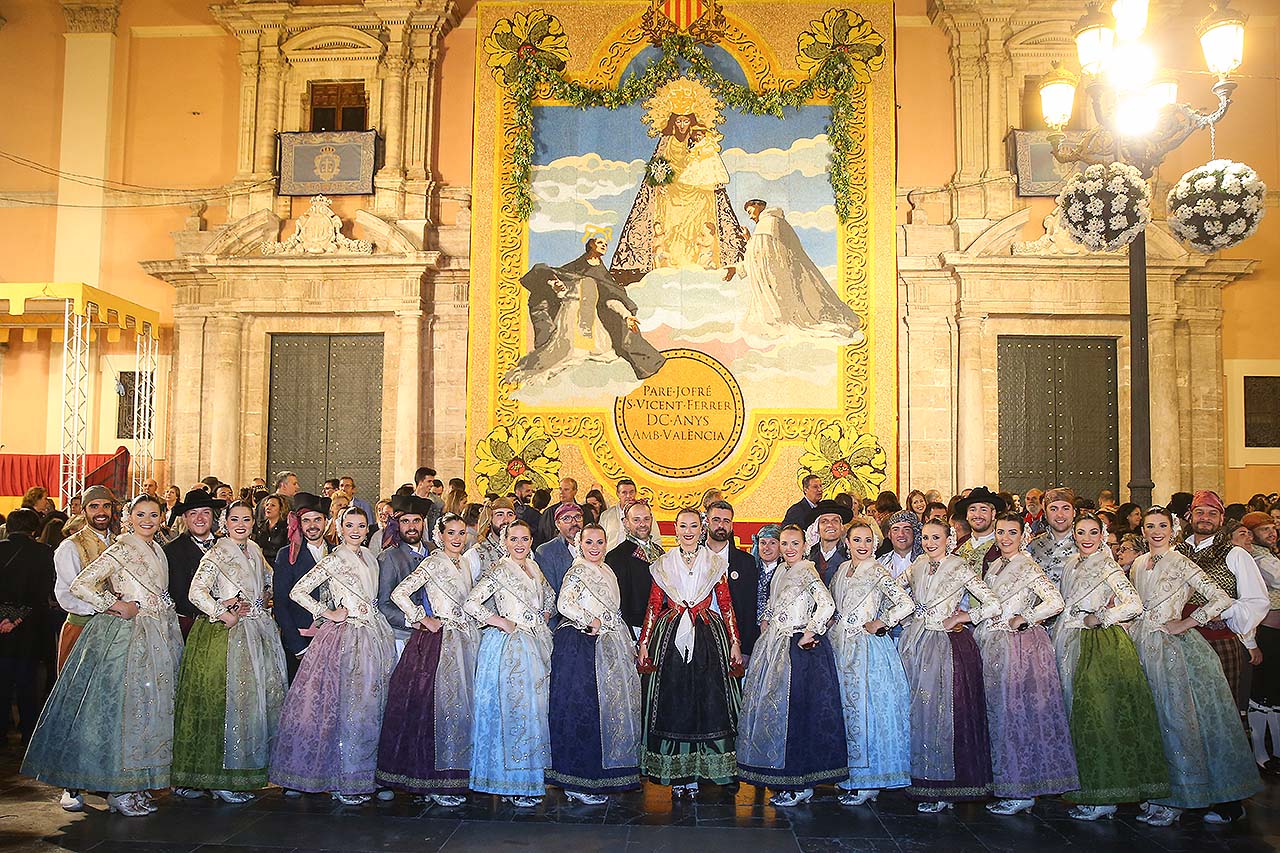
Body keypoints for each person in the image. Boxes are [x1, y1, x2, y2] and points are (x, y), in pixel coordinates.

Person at [22, 495, 182, 817]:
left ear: (162, 516)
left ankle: (136, 785)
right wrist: (114, 604)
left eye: (154, 514)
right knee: (125, 711)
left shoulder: (158, 550)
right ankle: (118, 789)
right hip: (127, 637)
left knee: (148, 710)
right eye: (140, 514)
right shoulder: (122, 547)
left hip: (158, 635)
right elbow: (81, 584)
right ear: (128, 517)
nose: (147, 520)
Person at [1126, 506, 1262, 826]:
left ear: (1173, 528)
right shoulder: (1137, 564)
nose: (1156, 531)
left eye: (1162, 525)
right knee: (1154, 720)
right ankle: (1159, 792)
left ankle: (1180, 798)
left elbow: (1219, 599)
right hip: (1143, 647)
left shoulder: (1182, 561)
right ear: (1142, 531)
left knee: (1178, 721)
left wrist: (1186, 623)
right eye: (1149, 526)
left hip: (1175, 650)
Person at [270, 507, 396, 804]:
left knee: (369, 704)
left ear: (368, 530)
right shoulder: (334, 559)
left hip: (373, 635)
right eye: (349, 525)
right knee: (343, 704)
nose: (355, 530)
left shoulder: (371, 559)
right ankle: (340, 778)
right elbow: (298, 592)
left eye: (361, 526)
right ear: (339, 528)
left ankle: (365, 774)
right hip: (344, 637)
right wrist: (327, 612)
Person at [1054, 513, 1169, 820]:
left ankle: (1107, 796)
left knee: (1099, 717)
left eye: (1093, 532)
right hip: (1070, 640)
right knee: (1079, 717)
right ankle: (1090, 790)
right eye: (1081, 532)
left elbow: (1134, 603)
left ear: (1102, 534)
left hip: (1100, 646)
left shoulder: (1107, 564)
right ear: (1074, 535)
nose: (1087, 537)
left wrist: (1102, 617)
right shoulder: (1070, 564)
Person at [170, 501, 287, 802]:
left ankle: (244, 773)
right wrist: (225, 611)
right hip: (226, 636)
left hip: (257, 632)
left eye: (246, 519)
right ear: (224, 521)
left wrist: (264, 595)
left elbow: (268, 580)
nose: (241, 524)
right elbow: (196, 591)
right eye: (234, 519)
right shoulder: (219, 551)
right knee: (227, 704)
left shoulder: (255, 550)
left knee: (250, 705)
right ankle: (221, 777)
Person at [974, 513, 1077, 815]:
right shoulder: (995, 565)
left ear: (1023, 535)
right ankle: (1010, 785)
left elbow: (1055, 601)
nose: (1005, 538)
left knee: (1017, 714)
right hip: (994, 644)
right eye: (1001, 532)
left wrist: (1026, 618)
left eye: (1012, 533)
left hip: (1019, 648)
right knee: (1001, 715)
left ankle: (1023, 791)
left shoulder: (1028, 565)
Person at [637, 508, 743, 798]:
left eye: (693, 525)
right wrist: (644, 641)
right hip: (669, 636)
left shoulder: (715, 563)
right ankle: (678, 775)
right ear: (675, 528)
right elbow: (653, 604)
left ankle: (699, 772)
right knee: (674, 703)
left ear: (702, 528)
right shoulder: (663, 563)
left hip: (708, 635)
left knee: (707, 704)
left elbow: (726, 603)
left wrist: (734, 641)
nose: (688, 531)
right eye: (683, 525)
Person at [738, 524, 846, 805]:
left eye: (793, 543)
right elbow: (775, 605)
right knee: (781, 713)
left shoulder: (807, 570)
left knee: (799, 715)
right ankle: (786, 776)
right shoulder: (782, 571)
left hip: (799, 651)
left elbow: (827, 605)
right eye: (784, 543)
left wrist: (810, 631)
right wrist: (767, 620)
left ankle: (802, 783)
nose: (788, 548)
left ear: (804, 545)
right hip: (776, 646)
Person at [376, 513, 479, 806]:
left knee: (459, 707)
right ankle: (432, 780)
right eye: (451, 533)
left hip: (465, 640)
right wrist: (423, 618)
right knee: (434, 709)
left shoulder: (464, 564)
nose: (457, 539)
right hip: (438, 642)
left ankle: (455, 775)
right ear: (440, 535)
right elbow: (400, 593)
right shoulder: (433, 562)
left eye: (461, 533)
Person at [899, 518, 1000, 812]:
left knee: (942, 714)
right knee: (918, 712)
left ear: (948, 539)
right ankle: (922, 779)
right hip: (916, 643)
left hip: (946, 646)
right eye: (926, 538)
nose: (930, 543)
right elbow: (892, 588)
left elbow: (991, 603)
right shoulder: (918, 563)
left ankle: (944, 788)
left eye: (936, 538)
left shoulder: (959, 567)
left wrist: (960, 618)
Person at [464, 519, 556, 808]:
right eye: (514, 539)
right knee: (514, 713)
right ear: (504, 541)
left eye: (525, 539)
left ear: (531, 540)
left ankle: (527, 780)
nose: (519, 544)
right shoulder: (500, 570)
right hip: (511, 648)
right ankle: (510, 783)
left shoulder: (534, 567)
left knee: (532, 712)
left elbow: (549, 597)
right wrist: (500, 621)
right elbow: (471, 604)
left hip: (536, 644)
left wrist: (544, 613)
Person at [548, 523, 642, 804]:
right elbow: (564, 603)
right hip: (583, 645)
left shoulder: (607, 570)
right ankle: (578, 780)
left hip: (610, 644)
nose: (594, 547)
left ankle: (603, 775)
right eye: (589, 542)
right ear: (580, 543)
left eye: (599, 542)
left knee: (608, 709)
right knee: (583, 710)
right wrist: (590, 621)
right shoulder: (577, 570)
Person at [828, 520, 914, 806]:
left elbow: (905, 604)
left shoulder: (879, 571)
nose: (862, 545)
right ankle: (851, 776)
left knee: (869, 712)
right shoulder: (841, 570)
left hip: (869, 651)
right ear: (847, 543)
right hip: (842, 648)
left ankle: (871, 782)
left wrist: (882, 622)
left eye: (868, 541)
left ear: (875, 545)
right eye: (857, 540)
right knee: (848, 712)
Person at [1175, 491, 1269, 745]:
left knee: (1220, 708)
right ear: (1190, 516)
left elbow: (1257, 601)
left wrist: (1222, 611)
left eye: (1212, 513)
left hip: (1218, 640)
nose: (1205, 518)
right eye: (1200, 512)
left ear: (1221, 519)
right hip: (1178, 641)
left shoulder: (1235, 555)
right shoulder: (1176, 552)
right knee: (1184, 709)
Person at [737, 199, 861, 336]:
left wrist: (739, 266)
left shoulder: (768, 222)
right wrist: (749, 239)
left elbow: (762, 254)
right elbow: (761, 252)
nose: (750, 216)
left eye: (750, 211)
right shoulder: (772, 222)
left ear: (758, 205)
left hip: (779, 275)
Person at [0, 509, 54, 745]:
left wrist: (5, 618)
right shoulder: (43, 552)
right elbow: (42, 593)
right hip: (30, 628)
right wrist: (17, 618)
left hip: (1, 627)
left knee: (2, 681)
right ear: (35, 528)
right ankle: (29, 731)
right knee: (28, 682)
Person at [273, 492, 330, 682]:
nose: (312, 525)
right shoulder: (286, 555)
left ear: (326, 521)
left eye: (317, 519)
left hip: (333, 640)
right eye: (306, 520)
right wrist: (297, 646)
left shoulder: (338, 552)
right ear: (300, 523)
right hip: (301, 640)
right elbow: (280, 604)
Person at [375, 495, 437, 660]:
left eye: (416, 521)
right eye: (405, 521)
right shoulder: (388, 557)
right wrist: (413, 621)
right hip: (403, 637)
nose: (411, 527)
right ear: (397, 524)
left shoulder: (435, 551)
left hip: (436, 633)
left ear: (423, 523)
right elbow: (383, 605)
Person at [1242, 511, 1280, 770]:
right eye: (1265, 529)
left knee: (1274, 693)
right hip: (1264, 633)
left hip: (1274, 633)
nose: (1272, 532)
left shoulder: (1268, 554)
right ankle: (1260, 753)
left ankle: (1275, 751)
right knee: (1263, 693)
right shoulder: (1257, 557)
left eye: (1272, 527)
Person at [165, 489, 225, 637]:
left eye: (206, 512)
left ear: (213, 516)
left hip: (227, 625)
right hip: (190, 628)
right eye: (193, 513)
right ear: (185, 518)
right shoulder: (171, 551)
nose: (200, 518)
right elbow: (177, 595)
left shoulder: (226, 546)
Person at [705, 500, 761, 658]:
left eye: (726, 521)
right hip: (699, 640)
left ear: (731, 525)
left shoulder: (746, 562)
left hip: (733, 644)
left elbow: (750, 609)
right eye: (716, 520)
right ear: (707, 522)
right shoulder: (694, 557)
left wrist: (746, 650)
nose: (721, 525)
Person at [604, 500, 664, 635]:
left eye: (646, 519)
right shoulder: (616, 556)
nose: (642, 524)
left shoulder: (660, 552)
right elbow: (618, 602)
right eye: (636, 520)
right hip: (634, 628)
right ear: (626, 523)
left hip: (660, 626)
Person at [1025, 488, 1078, 586]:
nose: (1060, 515)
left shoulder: (1088, 545)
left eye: (1065, 508)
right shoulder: (1033, 546)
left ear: (1074, 512)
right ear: (1045, 514)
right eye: (1053, 509)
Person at [462, 498, 517, 583]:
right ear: (490, 519)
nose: (506, 520)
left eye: (510, 515)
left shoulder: (524, 551)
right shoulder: (475, 554)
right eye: (500, 515)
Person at [535, 502, 583, 595]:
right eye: (567, 518)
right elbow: (549, 593)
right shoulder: (545, 551)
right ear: (557, 524)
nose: (574, 522)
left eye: (578, 517)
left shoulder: (591, 548)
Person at [954, 487, 1003, 574]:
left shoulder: (1002, 547)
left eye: (983, 510)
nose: (977, 515)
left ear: (993, 514)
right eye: (972, 510)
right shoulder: (958, 547)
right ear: (966, 515)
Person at [599, 479, 658, 551]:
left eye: (631, 492)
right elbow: (599, 539)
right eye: (624, 492)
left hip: (639, 559)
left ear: (636, 493)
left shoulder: (645, 514)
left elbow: (656, 539)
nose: (628, 496)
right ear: (618, 494)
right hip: (611, 558)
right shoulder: (606, 515)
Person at [805, 499, 854, 584]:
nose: (830, 525)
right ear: (817, 528)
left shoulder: (851, 556)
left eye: (835, 521)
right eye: (824, 521)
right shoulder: (807, 556)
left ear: (841, 527)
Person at [876, 510, 921, 588]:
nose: (901, 534)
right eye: (895, 529)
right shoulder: (880, 564)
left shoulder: (924, 562)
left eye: (906, 529)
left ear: (914, 533)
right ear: (889, 535)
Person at [751, 525, 782, 638]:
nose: (766, 548)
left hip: (776, 632)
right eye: (763, 543)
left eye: (772, 543)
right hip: (750, 632)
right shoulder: (749, 570)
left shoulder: (786, 572)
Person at [254, 494, 288, 565]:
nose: (268, 507)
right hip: (263, 564)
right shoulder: (261, 527)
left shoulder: (286, 527)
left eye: (273, 505)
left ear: (280, 509)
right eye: (267, 505)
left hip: (280, 564)